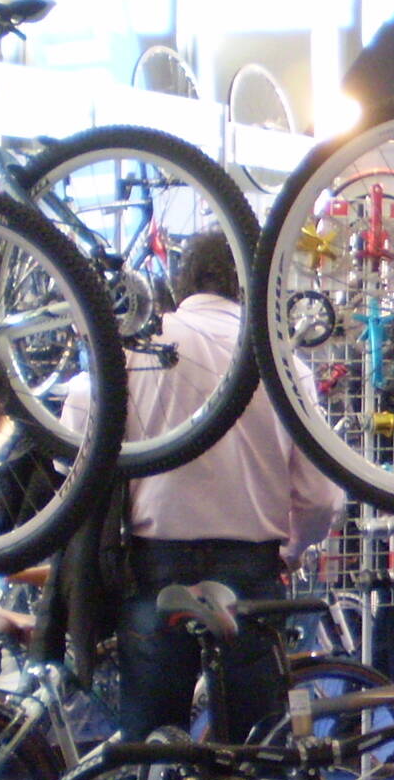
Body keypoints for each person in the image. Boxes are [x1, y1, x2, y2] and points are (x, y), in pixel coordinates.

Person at [70, 232, 344, 741]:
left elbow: (75, 426)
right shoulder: (284, 363)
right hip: (251, 569)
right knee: (250, 750)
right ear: (251, 283)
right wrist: (292, 550)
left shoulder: (139, 347)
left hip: (156, 565)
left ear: (180, 282)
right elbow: (321, 498)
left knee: (153, 745)